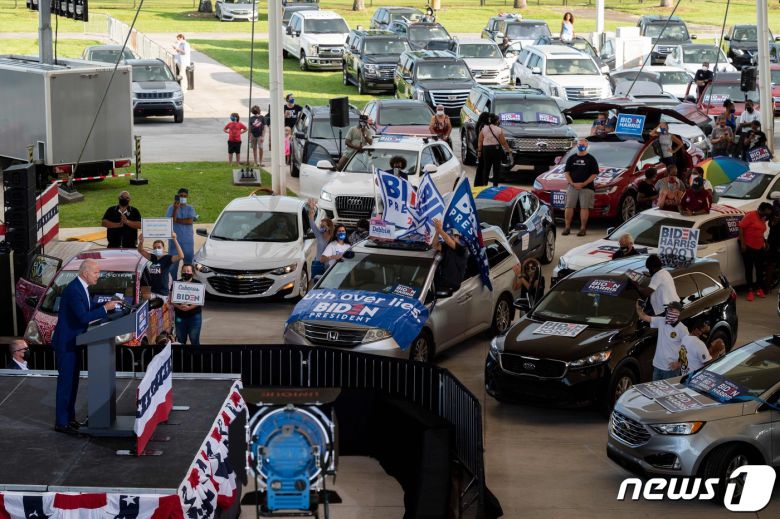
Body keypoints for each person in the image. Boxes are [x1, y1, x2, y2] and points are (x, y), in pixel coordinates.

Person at [52, 259, 119, 435]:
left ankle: (69, 419)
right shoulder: (74, 290)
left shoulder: (81, 287)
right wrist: (105, 309)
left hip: (75, 343)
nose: (99, 275)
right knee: (66, 384)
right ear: (85, 273)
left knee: (73, 383)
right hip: (67, 345)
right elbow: (83, 317)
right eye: (96, 272)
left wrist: (107, 306)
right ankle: (61, 423)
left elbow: (88, 307)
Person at [636, 300, 688, 381]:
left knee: (668, 393)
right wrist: (639, 309)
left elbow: (688, 347)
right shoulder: (661, 321)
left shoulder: (683, 329)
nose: (668, 311)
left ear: (678, 312)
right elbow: (645, 317)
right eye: (668, 309)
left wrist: (679, 363)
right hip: (657, 366)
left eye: (671, 310)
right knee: (655, 392)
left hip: (671, 369)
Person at [562, 138, 598, 236]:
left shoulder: (591, 159)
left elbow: (594, 174)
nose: (581, 146)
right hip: (572, 186)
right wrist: (572, 183)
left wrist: (584, 183)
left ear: (587, 145)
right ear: (576, 145)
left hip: (586, 187)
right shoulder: (571, 158)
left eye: (583, 144)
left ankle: (582, 228)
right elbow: (566, 172)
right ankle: (567, 227)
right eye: (579, 144)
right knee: (569, 206)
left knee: (584, 207)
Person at [738, 202, 773, 301]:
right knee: (749, 269)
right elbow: (741, 227)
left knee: (759, 269)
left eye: (768, 214)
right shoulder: (751, 216)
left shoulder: (763, 218)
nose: (766, 216)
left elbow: (760, 231)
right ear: (761, 210)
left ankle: (759, 288)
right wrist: (742, 244)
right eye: (766, 213)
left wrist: (764, 241)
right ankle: (749, 290)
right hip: (748, 247)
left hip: (759, 247)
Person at [138, 232, 183, 299]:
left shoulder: (167, 258)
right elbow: (140, 250)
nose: (157, 249)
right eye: (155, 248)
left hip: (163, 293)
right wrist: (141, 241)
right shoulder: (152, 258)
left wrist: (174, 239)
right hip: (153, 292)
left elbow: (181, 256)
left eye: (159, 247)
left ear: (163, 248)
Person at [166, 188, 198, 281]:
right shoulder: (171, 208)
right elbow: (170, 221)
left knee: (188, 268)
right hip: (174, 243)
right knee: (172, 267)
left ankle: (188, 286)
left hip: (188, 242)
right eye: (181, 196)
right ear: (177, 196)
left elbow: (190, 221)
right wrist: (176, 209)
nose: (183, 198)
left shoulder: (190, 208)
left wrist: (177, 220)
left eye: (185, 196)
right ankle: (172, 288)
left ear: (187, 197)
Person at [432, 218, 468, 291]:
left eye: (452, 236)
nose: (450, 238)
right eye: (449, 236)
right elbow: (435, 245)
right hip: (443, 282)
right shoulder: (446, 247)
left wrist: (439, 229)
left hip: (454, 285)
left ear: (457, 236)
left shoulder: (462, 248)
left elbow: (448, 240)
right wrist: (437, 232)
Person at [477, 113, 512, 188]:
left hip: (486, 150)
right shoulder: (499, 130)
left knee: (486, 168)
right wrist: (508, 150)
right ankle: (495, 186)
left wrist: (479, 151)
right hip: (496, 150)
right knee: (496, 169)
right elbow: (503, 142)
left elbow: (480, 140)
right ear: (496, 121)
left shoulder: (484, 129)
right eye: (498, 120)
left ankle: (484, 185)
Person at [173, 264, 202, 347]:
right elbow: (171, 300)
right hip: (179, 317)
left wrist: (189, 308)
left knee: (194, 339)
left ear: (192, 273)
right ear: (181, 272)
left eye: (188, 271)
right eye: (184, 271)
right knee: (180, 340)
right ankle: (182, 358)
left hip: (194, 317)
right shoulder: (176, 284)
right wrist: (180, 307)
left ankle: (196, 358)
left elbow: (200, 301)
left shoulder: (198, 284)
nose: (186, 272)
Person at [307, 199, 334, 277]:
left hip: (329, 266)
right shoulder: (319, 234)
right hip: (318, 264)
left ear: (329, 227)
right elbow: (311, 222)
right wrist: (311, 208)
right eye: (321, 225)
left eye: (323, 226)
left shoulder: (333, 238)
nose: (321, 227)